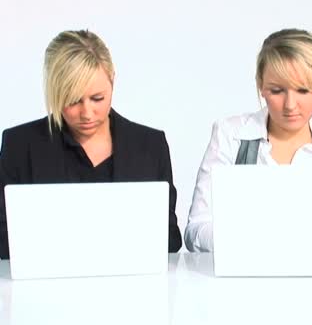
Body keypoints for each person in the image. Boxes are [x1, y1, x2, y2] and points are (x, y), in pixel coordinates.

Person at [0, 30, 182, 259]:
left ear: (113, 80)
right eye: (73, 100)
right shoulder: (20, 145)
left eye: (98, 98)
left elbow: (170, 239)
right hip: (44, 288)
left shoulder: (150, 146)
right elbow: (4, 238)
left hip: (131, 287)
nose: (87, 113)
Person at [185, 28, 312, 252]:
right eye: (277, 90)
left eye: (302, 91)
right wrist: (252, 242)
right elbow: (196, 231)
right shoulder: (230, 135)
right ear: (260, 83)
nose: (290, 105)